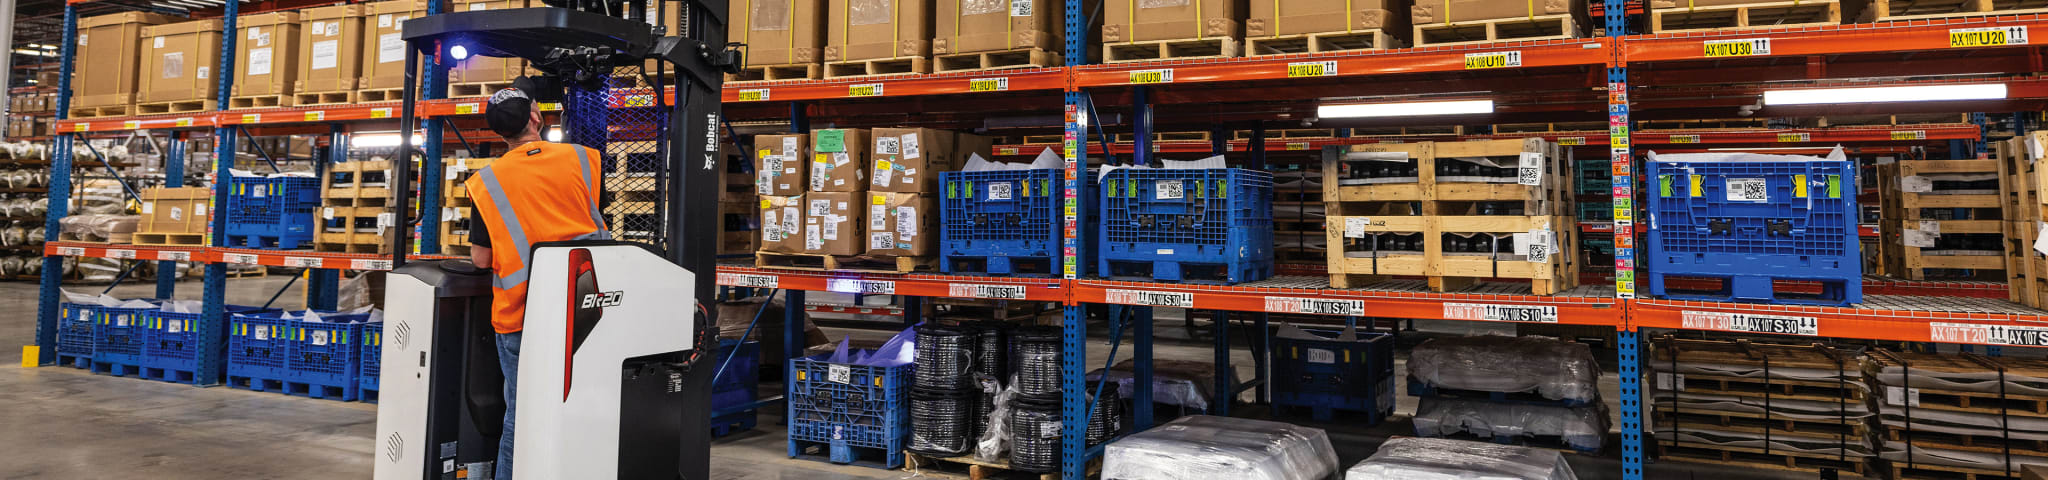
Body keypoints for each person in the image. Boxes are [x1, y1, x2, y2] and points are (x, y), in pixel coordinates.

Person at [463, 87, 610, 480]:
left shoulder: (486, 181)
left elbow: (480, 258)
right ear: (535, 118)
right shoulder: (582, 159)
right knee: (587, 404)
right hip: (586, 308)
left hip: (521, 316)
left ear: (498, 132)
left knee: (525, 413)